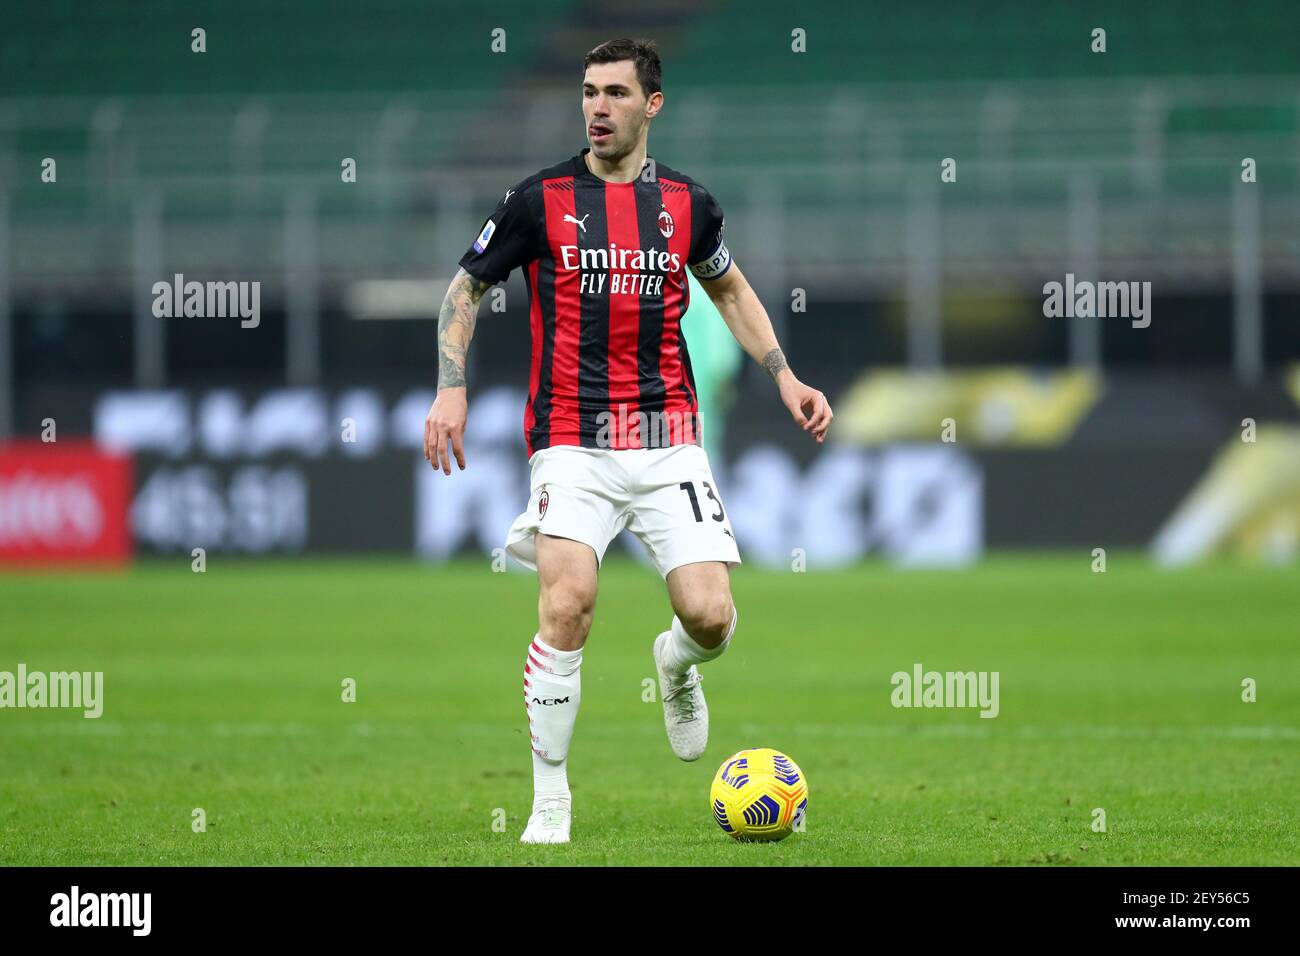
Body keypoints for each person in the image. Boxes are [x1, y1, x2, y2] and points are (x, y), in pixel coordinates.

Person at [423, 37, 832, 844]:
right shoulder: (539, 199)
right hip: (570, 437)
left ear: (652, 105)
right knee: (568, 601)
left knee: (711, 616)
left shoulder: (689, 204)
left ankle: (675, 665)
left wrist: (785, 374)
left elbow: (732, 288)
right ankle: (550, 801)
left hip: (667, 433)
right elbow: (468, 284)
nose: (597, 107)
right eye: (587, 92)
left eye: (614, 93)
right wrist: (450, 383)